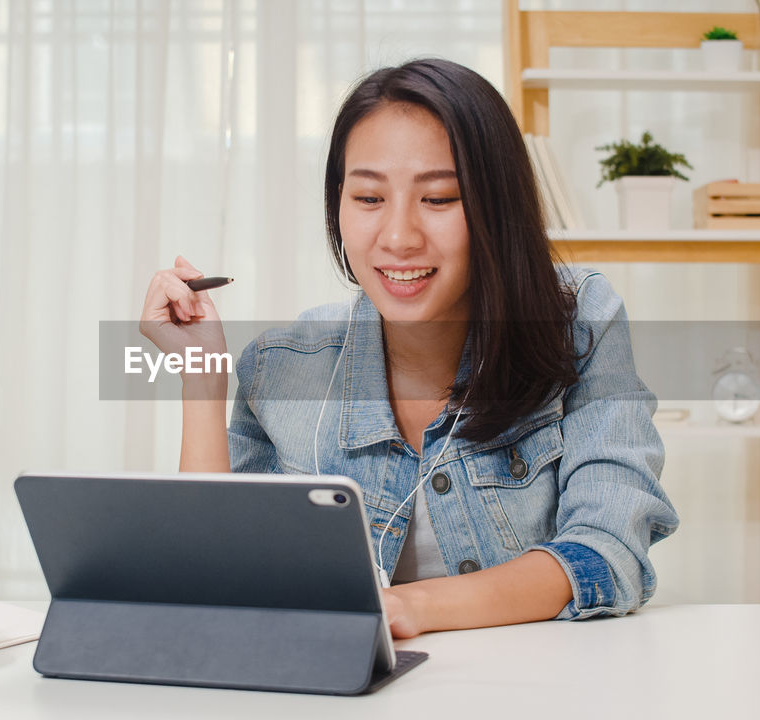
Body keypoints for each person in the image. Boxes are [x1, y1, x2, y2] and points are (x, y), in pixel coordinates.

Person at [139, 58, 678, 638]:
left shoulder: (580, 323)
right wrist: (201, 375)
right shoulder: (285, 366)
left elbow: (608, 549)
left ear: (497, 209)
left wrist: (410, 608)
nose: (398, 238)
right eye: (369, 198)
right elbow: (212, 577)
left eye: (440, 199)